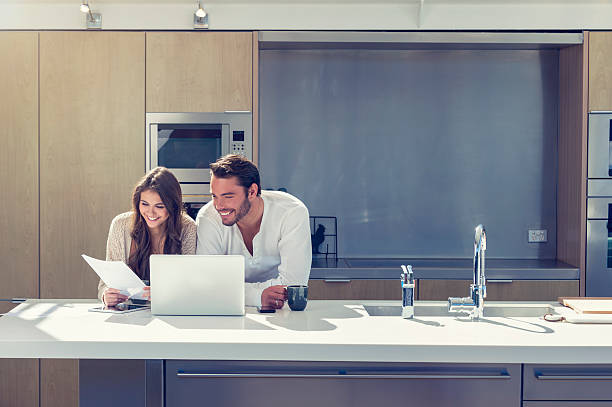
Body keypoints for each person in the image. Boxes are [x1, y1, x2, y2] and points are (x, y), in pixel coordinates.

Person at [196, 154, 312, 309]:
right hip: (227, 310)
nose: (218, 205)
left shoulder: (292, 212)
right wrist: (258, 296)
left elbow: (294, 285)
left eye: (227, 196)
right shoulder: (208, 217)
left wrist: (230, 290)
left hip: (280, 311)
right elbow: (207, 283)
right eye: (214, 196)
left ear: (252, 192)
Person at [98, 167, 197, 306]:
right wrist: (106, 295)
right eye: (144, 204)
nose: (150, 212)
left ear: (172, 207)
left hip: (170, 312)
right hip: (129, 314)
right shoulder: (120, 225)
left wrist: (164, 293)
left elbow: (190, 286)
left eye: (159, 206)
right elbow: (104, 285)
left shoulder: (187, 228)